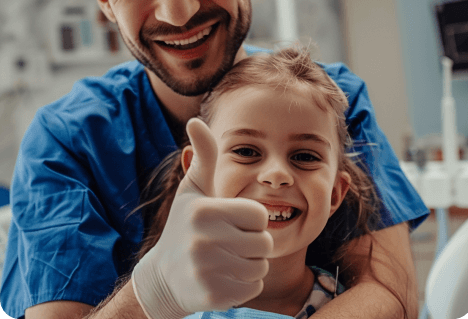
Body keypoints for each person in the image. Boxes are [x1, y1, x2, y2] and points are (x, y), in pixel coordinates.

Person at [0, 0, 429, 318]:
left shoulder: (331, 101)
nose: (177, 9)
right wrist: (154, 292)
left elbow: (390, 293)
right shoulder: (66, 142)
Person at [127, 47, 406, 319]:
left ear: (334, 194)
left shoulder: (357, 310)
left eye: (304, 156)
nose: (276, 175)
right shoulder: (167, 309)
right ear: (197, 171)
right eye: (246, 151)